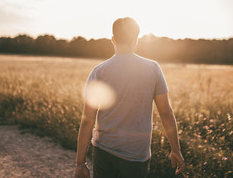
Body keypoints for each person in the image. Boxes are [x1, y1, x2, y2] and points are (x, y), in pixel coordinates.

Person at [74, 17, 185, 178]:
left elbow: (87, 120)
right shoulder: (153, 68)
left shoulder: (99, 71)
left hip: (103, 151)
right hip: (136, 156)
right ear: (136, 39)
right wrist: (176, 150)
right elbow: (166, 112)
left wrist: (80, 163)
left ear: (113, 39)